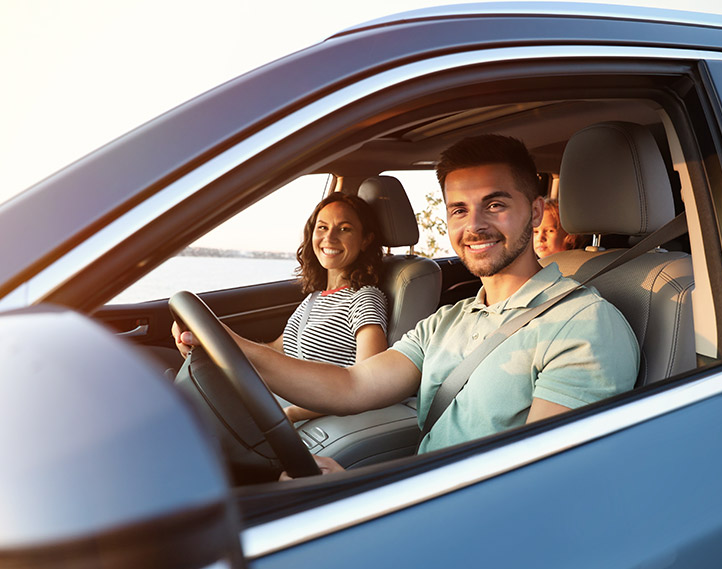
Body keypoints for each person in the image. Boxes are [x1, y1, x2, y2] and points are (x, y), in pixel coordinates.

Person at [217, 134, 641, 476]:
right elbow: (353, 385)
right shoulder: (448, 320)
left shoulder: (583, 326)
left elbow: (537, 482)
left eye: (495, 205)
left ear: (534, 213)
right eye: (459, 210)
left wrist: (366, 500)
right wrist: (234, 348)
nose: (474, 225)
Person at [173, 192, 389, 423]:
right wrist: (210, 343)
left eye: (344, 229)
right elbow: (276, 351)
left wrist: (292, 413)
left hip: (305, 417)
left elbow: (370, 381)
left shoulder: (364, 298)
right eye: (322, 227)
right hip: (276, 404)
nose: (330, 237)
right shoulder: (314, 299)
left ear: (365, 240)